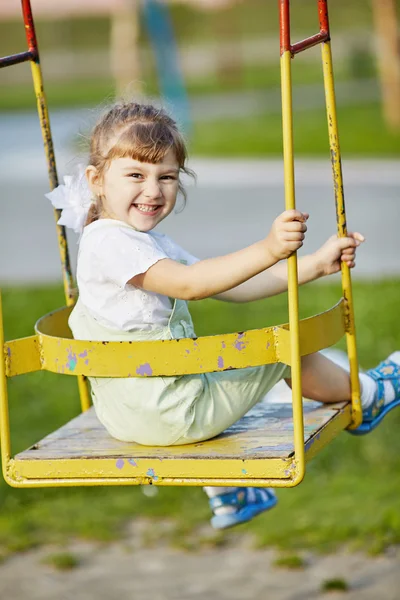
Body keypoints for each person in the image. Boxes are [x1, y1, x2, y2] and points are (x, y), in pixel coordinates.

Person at [46, 102, 400, 531]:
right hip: (168, 410)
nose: (153, 190)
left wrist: (313, 266)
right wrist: (269, 248)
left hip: (129, 409)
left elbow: (230, 286)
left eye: (167, 177)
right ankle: (368, 395)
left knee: (216, 372)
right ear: (96, 180)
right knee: (286, 350)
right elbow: (193, 284)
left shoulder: (136, 241)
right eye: (136, 175)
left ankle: (230, 492)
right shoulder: (114, 245)